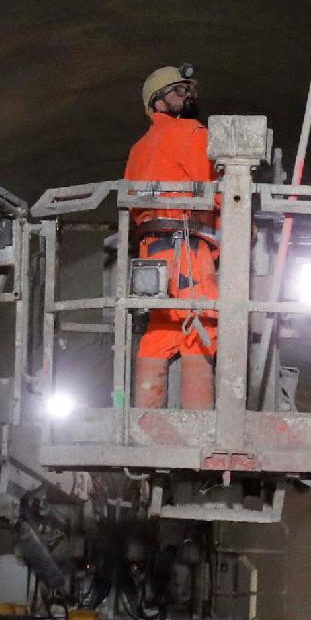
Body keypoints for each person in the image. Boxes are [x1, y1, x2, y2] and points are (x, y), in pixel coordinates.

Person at [123, 64, 217, 408]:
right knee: (202, 324)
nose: (188, 95)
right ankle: (197, 423)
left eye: (188, 90)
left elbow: (134, 209)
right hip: (187, 249)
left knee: (162, 330)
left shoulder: (137, 150)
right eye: (178, 91)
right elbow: (216, 191)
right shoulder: (193, 134)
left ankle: (147, 421)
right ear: (157, 103)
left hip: (152, 254)